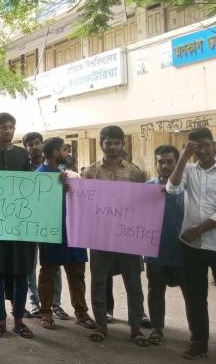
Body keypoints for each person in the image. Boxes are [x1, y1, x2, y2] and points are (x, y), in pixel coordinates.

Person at [167, 127, 216, 363]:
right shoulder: (188, 170)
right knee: (196, 297)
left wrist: (197, 230)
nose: (202, 149)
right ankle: (199, 343)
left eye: (206, 144)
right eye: (196, 146)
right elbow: (172, 188)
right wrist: (183, 158)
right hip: (193, 249)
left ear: (214, 144)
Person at [81, 125, 149, 347]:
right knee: (99, 281)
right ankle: (101, 324)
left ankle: (136, 328)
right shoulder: (90, 172)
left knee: (134, 283)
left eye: (116, 142)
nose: (112, 146)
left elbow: (142, 204)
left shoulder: (135, 172)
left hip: (128, 237)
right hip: (100, 236)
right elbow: (82, 203)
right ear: (101, 144)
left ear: (122, 144)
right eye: (108, 142)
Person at [0, 113, 36, 339]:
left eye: (11, 127)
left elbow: (31, 187)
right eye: (3, 127)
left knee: (21, 272)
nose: (8, 130)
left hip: (20, 224)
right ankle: (0, 321)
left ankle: (19, 320)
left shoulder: (22, 154)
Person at [36, 137, 95, 331]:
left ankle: (81, 312)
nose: (68, 153)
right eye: (65, 149)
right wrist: (54, 188)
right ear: (54, 152)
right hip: (51, 232)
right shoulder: (38, 176)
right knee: (48, 273)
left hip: (74, 231)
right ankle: (46, 312)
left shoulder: (72, 175)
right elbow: (34, 205)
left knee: (77, 273)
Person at [143, 144, 185, 345]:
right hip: (155, 251)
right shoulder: (146, 188)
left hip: (184, 251)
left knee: (191, 294)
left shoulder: (187, 187)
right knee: (156, 291)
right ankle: (157, 328)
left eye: (170, 161)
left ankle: (197, 333)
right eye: (161, 162)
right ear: (156, 164)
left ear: (178, 163)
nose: (165, 165)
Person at [21, 131, 45, 318]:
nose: (34, 147)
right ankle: (34, 301)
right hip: (28, 221)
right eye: (30, 144)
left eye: (37, 143)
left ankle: (54, 302)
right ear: (26, 147)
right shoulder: (22, 167)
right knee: (30, 264)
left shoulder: (54, 165)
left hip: (48, 221)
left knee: (51, 264)